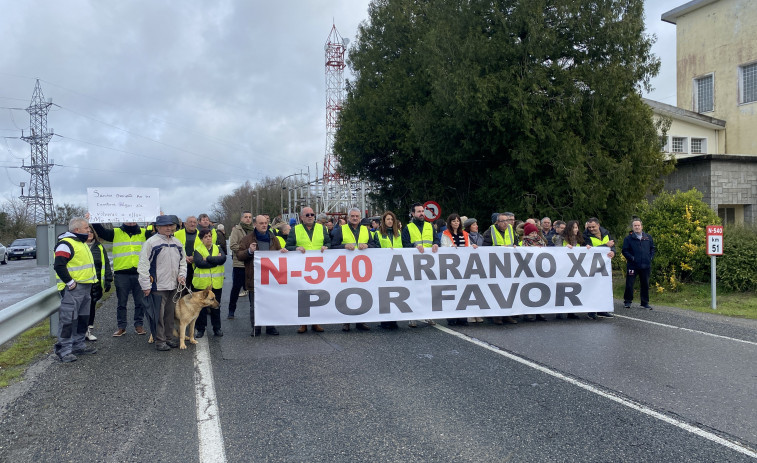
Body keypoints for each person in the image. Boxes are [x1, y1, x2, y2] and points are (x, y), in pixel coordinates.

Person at [89, 215, 149, 337]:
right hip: (121, 274)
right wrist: (94, 218)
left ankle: (139, 325)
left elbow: (158, 234)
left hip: (140, 273)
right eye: (128, 217)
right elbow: (101, 232)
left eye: (133, 218)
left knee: (140, 302)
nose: (131, 220)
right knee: (122, 303)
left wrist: (158, 218)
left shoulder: (144, 233)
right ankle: (121, 327)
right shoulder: (115, 232)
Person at [138, 215, 187, 351]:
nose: (169, 228)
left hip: (174, 285)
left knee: (169, 314)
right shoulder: (151, 243)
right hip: (157, 286)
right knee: (158, 315)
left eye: (171, 225)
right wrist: (146, 285)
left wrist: (182, 275)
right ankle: (160, 341)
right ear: (157, 227)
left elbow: (182, 263)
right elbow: (143, 265)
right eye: (165, 226)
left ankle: (169, 338)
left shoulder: (177, 243)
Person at [53, 217, 99, 362]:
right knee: (68, 321)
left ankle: (78, 345)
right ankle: (64, 350)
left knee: (82, 319)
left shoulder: (81, 243)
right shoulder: (66, 244)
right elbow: (59, 265)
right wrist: (70, 282)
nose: (89, 230)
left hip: (85, 288)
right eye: (86, 228)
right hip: (73, 290)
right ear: (77, 229)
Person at [237, 214, 285, 336]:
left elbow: (279, 254)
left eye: (265, 223)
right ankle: (256, 328)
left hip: (271, 277)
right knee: (254, 305)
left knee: (271, 303)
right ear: (255, 225)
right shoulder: (247, 239)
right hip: (254, 278)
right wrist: (249, 251)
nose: (264, 225)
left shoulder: (274, 238)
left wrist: (282, 252)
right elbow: (239, 255)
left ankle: (270, 327)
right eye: (261, 223)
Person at [331, 207, 375, 331]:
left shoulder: (366, 230)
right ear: (348, 217)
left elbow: (374, 245)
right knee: (346, 293)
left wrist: (367, 245)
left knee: (362, 293)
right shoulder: (341, 230)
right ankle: (346, 321)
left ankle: (361, 321)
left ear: (360, 218)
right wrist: (344, 246)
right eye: (352, 216)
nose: (355, 218)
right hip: (345, 268)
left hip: (362, 269)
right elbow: (333, 246)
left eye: (357, 216)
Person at [286, 206, 329, 333]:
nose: (310, 217)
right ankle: (303, 323)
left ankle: (316, 322)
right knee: (304, 294)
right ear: (301, 217)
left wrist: (326, 247)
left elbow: (329, 243)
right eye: (307, 215)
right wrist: (296, 248)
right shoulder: (295, 230)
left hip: (319, 266)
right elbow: (288, 246)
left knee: (317, 293)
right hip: (302, 266)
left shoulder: (322, 228)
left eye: (312, 214)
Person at [402, 203, 440, 328]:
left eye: (423, 211)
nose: (422, 213)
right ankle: (412, 317)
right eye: (419, 211)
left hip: (429, 264)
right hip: (414, 264)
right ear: (413, 214)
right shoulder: (408, 227)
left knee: (428, 290)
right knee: (414, 290)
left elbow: (436, 240)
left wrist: (435, 244)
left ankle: (428, 314)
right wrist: (414, 247)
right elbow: (404, 244)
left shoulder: (430, 226)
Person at [441, 213, 481, 325]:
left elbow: (468, 246)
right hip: (451, 267)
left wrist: (472, 247)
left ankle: (462, 317)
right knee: (452, 292)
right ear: (450, 223)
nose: (456, 223)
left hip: (463, 266)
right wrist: (450, 248)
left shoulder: (465, 234)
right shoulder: (445, 234)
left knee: (463, 292)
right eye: (453, 221)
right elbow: (443, 247)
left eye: (457, 221)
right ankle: (451, 317)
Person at [483, 212, 518, 324]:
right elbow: (485, 248)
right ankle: (497, 316)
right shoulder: (490, 232)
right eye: (502, 221)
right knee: (497, 291)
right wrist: (500, 248)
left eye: (507, 221)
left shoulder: (511, 231)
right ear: (497, 222)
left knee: (508, 291)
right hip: (495, 265)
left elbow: (516, 243)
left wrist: (515, 247)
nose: (505, 223)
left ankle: (507, 315)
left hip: (509, 265)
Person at [370, 210, 402, 329]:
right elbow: (376, 249)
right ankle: (384, 320)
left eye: (391, 219)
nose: (390, 221)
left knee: (395, 293)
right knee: (384, 294)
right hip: (383, 267)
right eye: (387, 219)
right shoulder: (377, 234)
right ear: (383, 221)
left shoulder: (398, 233)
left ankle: (394, 319)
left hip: (397, 266)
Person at [193, 229, 225, 338]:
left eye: (210, 236)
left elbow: (223, 259)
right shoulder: (198, 249)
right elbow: (199, 263)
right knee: (200, 308)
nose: (209, 238)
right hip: (202, 284)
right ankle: (201, 329)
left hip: (216, 283)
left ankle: (217, 328)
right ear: (201, 239)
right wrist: (215, 261)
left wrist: (208, 259)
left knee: (215, 306)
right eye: (206, 237)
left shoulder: (217, 247)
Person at [584, 217, 616, 319]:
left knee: (604, 287)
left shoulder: (606, 232)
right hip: (591, 265)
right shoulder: (585, 235)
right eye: (589, 227)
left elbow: (612, 245)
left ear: (598, 225)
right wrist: (605, 245)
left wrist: (613, 252)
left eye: (593, 227)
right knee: (592, 287)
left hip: (604, 265)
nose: (591, 229)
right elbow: (589, 250)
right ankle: (591, 311)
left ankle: (602, 309)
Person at [85, 228, 113, 341]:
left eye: (91, 232)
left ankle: (88, 331)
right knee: (81, 310)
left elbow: (106, 263)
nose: (89, 234)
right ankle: (79, 333)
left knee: (91, 307)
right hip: (82, 282)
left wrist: (108, 280)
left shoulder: (99, 247)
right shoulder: (79, 245)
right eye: (87, 232)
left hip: (95, 283)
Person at [622, 218, 655, 310]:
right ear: (632, 227)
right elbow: (624, 251)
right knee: (630, 283)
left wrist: (650, 257)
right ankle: (627, 301)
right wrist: (632, 258)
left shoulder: (648, 237)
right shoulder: (628, 238)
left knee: (645, 284)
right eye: (635, 225)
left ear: (641, 226)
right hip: (633, 265)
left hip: (645, 265)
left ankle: (644, 303)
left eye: (638, 225)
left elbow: (652, 248)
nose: (637, 227)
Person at [227, 211, 254, 319]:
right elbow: (233, 245)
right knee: (236, 288)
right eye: (246, 217)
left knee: (252, 289)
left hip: (252, 264)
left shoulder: (254, 230)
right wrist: (246, 250)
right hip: (240, 264)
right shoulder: (237, 230)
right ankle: (231, 310)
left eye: (250, 217)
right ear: (241, 218)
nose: (248, 219)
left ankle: (254, 312)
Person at [520, 223, 548, 321]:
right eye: (531, 233)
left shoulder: (541, 241)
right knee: (529, 291)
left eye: (535, 232)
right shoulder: (524, 242)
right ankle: (529, 313)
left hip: (540, 269)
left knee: (540, 290)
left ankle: (540, 312)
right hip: (529, 269)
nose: (534, 234)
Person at [174, 215, 199, 288]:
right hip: (182, 266)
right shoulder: (176, 234)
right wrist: (183, 258)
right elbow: (174, 249)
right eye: (190, 222)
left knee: (196, 292)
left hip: (197, 266)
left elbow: (204, 250)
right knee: (183, 290)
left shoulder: (201, 235)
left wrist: (195, 258)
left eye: (194, 222)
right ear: (185, 224)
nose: (192, 224)